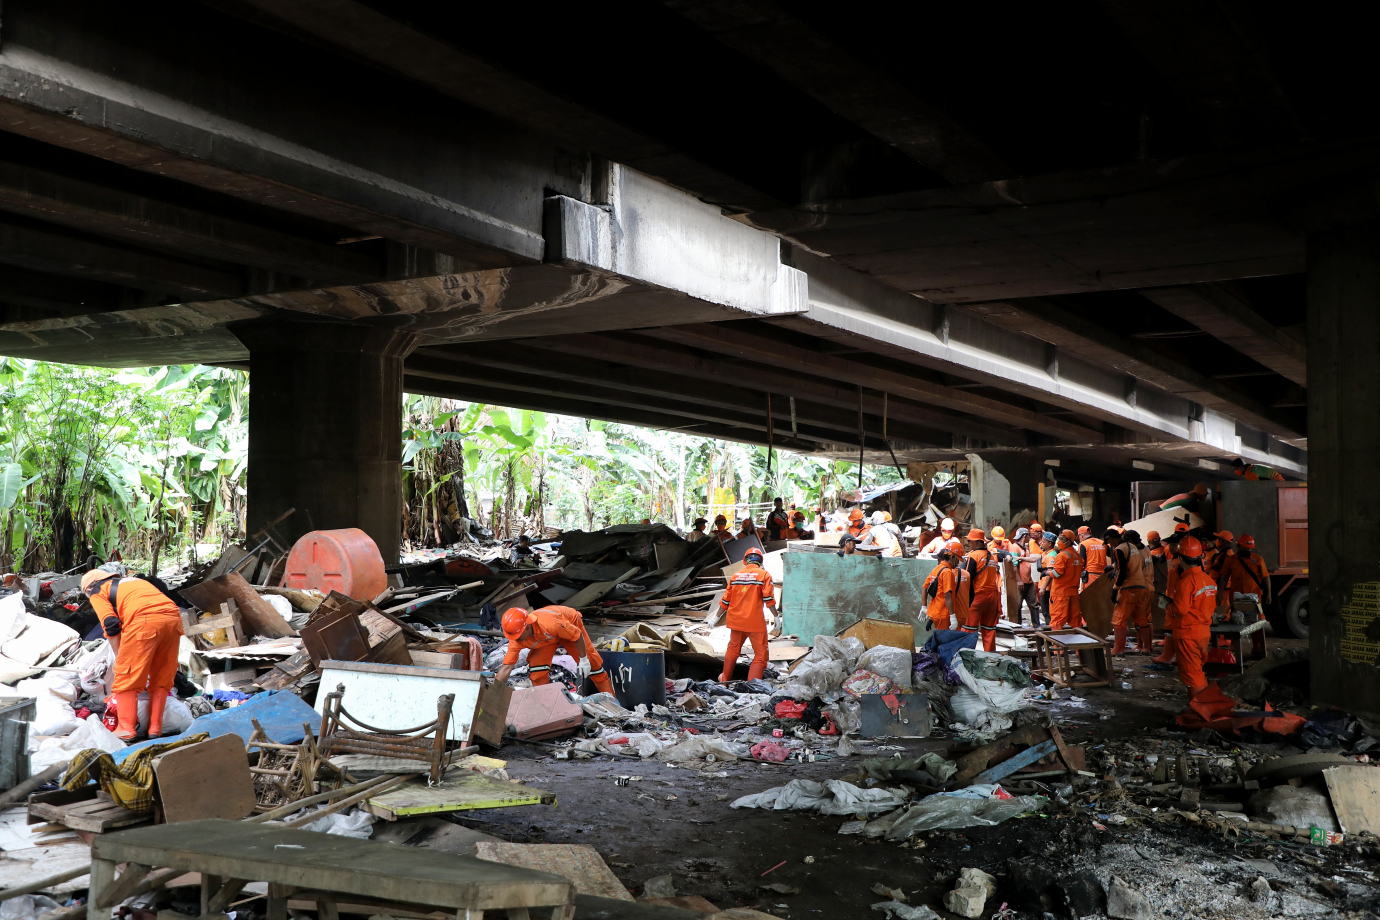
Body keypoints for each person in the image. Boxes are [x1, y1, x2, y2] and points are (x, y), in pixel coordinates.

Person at [83, 568, 186, 741]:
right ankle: (155, 729)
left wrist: (119, 656)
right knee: (161, 676)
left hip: (144, 621)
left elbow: (110, 623)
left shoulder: (97, 591)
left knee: (126, 676)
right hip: (173, 619)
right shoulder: (135, 582)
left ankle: (126, 730)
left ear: (88, 588)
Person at [496, 605, 614, 693]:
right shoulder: (516, 639)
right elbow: (507, 667)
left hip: (569, 625)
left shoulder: (550, 624)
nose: (516, 639)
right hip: (547, 638)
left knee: (593, 665)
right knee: (538, 673)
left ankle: (614, 707)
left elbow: (577, 636)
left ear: (527, 627)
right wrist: (491, 691)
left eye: (518, 636)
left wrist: (583, 659)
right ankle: (547, 710)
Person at [716, 547, 778, 681]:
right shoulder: (764, 575)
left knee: (732, 651)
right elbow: (768, 599)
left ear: (745, 561)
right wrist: (776, 616)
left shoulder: (735, 576)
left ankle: (724, 680)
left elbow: (725, 600)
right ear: (760, 562)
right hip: (754, 623)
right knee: (760, 655)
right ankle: (752, 685)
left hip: (736, 622)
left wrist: (715, 617)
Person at [1165, 536, 1218, 696]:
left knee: (1191, 673)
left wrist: (1167, 605)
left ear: (1180, 558)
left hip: (1187, 634)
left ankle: (1200, 712)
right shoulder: (1208, 580)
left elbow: (1179, 610)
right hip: (1203, 633)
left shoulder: (1187, 581)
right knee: (1197, 671)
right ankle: (1205, 705)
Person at [1110, 529, 1152, 656]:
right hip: (1141, 587)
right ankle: (1146, 648)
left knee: (1119, 620)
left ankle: (1118, 649)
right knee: (1141, 619)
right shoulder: (1134, 547)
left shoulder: (1119, 549)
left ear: (1110, 538)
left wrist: (1115, 588)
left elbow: (1123, 570)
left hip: (1128, 588)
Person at [964, 528, 1002, 650]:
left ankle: (968, 656)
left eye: (970, 541)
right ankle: (990, 658)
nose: (969, 544)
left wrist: (966, 600)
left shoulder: (973, 556)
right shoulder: (991, 556)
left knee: (969, 629)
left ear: (977, 542)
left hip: (977, 597)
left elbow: (968, 577)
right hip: (992, 598)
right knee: (989, 629)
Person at [1049, 530, 1084, 630]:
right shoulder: (1077, 556)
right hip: (1073, 593)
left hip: (1061, 593)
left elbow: (1057, 574)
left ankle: (1057, 645)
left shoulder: (1062, 555)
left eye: (1061, 539)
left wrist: (1047, 573)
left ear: (1068, 541)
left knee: (1057, 621)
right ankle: (1076, 645)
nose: (1059, 541)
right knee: (1075, 621)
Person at [922, 545, 961, 630]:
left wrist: (924, 607)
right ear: (951, 557)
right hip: (944, 614)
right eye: (957, 560)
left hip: (936, 612)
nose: (958, 563)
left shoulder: (936, 569)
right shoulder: (947, 572)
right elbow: (947, 595)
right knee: (945, 641)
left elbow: (925, 587)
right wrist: (952, 616)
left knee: (941, 638)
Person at [1011, 527, 1043, 627]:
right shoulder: (1014, 547)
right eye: (1029, 536)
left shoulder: (1025, 548)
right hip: (1021, 583)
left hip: (1029, 582)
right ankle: (1018, 627)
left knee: (1034, 604)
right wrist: (1019, 580)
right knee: (1018, 605)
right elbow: (1014, 565)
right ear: (1025, 536)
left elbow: (1031, 559)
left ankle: (1036, 626)